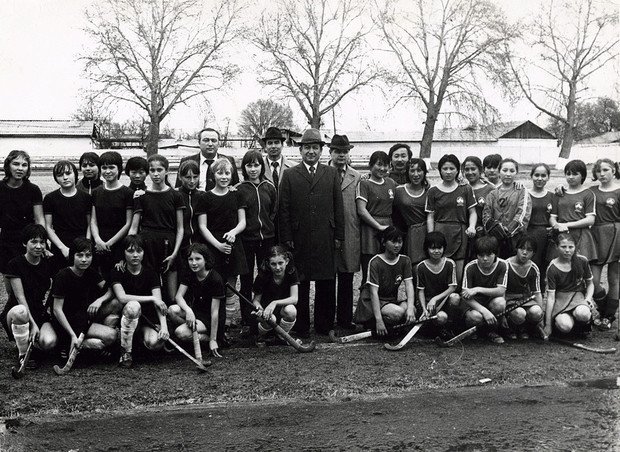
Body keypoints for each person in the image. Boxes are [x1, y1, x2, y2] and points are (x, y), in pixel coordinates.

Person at [279, 128, 345, 337]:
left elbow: (338, 206)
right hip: (299, 237)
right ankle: (301, 326)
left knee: (326, 280)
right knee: (301, 281)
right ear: (300, 150)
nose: (311, 151)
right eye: (307, 147)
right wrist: (287, 237)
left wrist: (339, 235)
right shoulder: (290, 175)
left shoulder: (331, 173)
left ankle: (324, 325)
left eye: (315, 147)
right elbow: (284, 209)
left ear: (321, 150)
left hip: (326, 235)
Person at [197, 158, 248, 339]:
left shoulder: (236, 195)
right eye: (220, 173)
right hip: (213, 246)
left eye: (227, 173)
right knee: (216, 287)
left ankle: (226, 327)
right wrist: (217, 245)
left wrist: (233, 232)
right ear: (213, 175)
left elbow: (242, 222)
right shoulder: (205, 198)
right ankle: (216, 326)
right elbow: (202, 226)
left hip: (232, 245)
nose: (224, 177)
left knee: (230, 287)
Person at [129, 154, 185, 304]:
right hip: (147, 245)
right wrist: (126, 251)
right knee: (150, 290)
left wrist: (174, 253)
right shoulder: (141, 196)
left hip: (169, 245)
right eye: (152, 170)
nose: (155, 174)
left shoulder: (175, 195)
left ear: (167, 171)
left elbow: (180, 228)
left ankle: (171, 316)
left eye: (159, 170)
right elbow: (133, 228)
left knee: (172, 296)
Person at [51, 237, 119, 358]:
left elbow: (111, 290)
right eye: (80, 255)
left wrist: (99, 300)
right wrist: (72, 334)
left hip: (83, 318)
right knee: (110, 337)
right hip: (66, 322)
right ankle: (69, 344)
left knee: (116, 304)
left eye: (88, 255)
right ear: (72, 256)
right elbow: (57, 310)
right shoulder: (63, 275)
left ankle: (80, 346)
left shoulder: (90, 273)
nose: (84, 259)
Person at [1, 224, 56, 368]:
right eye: (34, 242)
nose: (38, 246)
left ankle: (28, 342)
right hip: (16, 310)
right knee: (21, 312)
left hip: (38, 311)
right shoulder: (15, 264)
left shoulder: (48, 263)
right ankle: (23, 353)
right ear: (25, 243)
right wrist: (33, 325)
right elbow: (20, 298)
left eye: (42, 242)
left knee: (49, 343)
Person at [110, 235, 168, 368]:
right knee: (133, 306)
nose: (135, 255)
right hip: (127, 317)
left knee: (155, 343)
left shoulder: (151, 273)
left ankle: (138, 343)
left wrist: (164, 327)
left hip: (147, 319)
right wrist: (152, 298)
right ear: (123, 252)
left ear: (143, 252)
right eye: (130, 251)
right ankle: (126, 352)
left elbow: (159, 303)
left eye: (139, 251)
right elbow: (122, 297)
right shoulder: (117, 271)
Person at [236, 150, 277, 335]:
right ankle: (247, 320)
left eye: (256, 165)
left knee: (264, 277)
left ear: (262, 166)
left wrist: (268, 229)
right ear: (244, 168)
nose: (253, 169)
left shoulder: (269, 187)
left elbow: (273, 212)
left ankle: (265, 316)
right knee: (245, 280)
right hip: (246, 241)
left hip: (266, 240)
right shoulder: (239, 189)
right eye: (249, 165)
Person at [354, 227, 415, 336]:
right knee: (398, 313)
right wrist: (379, 320)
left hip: (390, 300)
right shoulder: (375, 262)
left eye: (399, 242)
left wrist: (410, 308)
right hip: (372, 301)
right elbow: (373, 293)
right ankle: (372, 322)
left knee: (412, 309)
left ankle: (391, 327)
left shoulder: (405, 260)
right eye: (393, 242)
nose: (397, 245)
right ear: (383, 242)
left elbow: (409, 285)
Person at [0, 150, 45, 299]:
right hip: (6, 243)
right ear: (8, 165)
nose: (20, 168)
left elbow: (39, 219)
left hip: (28, 243)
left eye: (24, 165)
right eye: (16, 164)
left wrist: (42, 243)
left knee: (31, 287)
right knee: (12, 291)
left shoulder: (33, 190)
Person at [425, 154, 477, 283]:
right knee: (440, 267)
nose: (448, 172)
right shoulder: (433, 191)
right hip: (441, 231)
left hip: (460, 232)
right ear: (440, 170)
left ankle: (457, 293)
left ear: (457, 170)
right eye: (445, 168)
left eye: (452, 168)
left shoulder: (465, 188)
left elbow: (472, 212)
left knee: (458, 272)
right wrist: (432, 236)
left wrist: (471, 226)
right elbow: (430, 216)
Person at [328, 134, 361, 330]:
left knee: (347, 277)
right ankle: (326, 320)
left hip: (350, 232)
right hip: (328, 232)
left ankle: (345, 319)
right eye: (337, 151)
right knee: (328, 277)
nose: (341, 155)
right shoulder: (323, 173)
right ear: (330, 152)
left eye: (344, 151)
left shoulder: (356, 177)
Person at [169, 243, 224, 357]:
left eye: (198, 259)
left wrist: (213, 339)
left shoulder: (215, 279)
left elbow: (215, 312)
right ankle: (192, 333)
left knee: (180, 332)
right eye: (190, 259)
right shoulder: (190, 273)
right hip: (196, 313)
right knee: (172, 310)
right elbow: (178, 296)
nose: (193, 263)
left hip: (209, 319)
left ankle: (211, 340)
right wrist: (188, 311)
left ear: (206, 259)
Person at [90, 151, 134, 281]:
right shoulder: (96, 192)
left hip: (119, 244)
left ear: (119, 169)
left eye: (111, 167)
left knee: (118, 279)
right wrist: (98, 240)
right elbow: (93, 220)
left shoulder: (127, 193)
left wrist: (110, 243)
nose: (107, 171)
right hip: (99, 244)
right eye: (104, 167)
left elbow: (128, 223)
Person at [43, 160, 92, 275]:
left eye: (68, 173)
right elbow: (48, 227)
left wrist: (86, 245)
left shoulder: (86, 198)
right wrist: (62, 248)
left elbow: (90, 224)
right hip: (59, 245)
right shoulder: (50, 198)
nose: (65, 177)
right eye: (60, 175)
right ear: (56, 178)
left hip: (82, 245)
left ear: (75, 174)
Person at [357, 151, 397, 284]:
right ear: (371, 165)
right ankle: (367, 295)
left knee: (387, 267)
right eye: (379, 164)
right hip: (370, 229)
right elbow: (361, 210)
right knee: (370, 269)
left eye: (386, 165)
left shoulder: (390, 183)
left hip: (388, 228)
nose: (382, 168)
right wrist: (379, 226)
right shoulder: (364, 184)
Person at [589, 158, 620, 330]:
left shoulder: (619, 191)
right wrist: (560, 189)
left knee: (614, 278)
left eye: (606, 170)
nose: (602, 174)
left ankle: (609, 316)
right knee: (593, 280)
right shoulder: (592, 191)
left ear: (614, 171)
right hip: (596, 235)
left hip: (616, 234)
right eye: (599, 171)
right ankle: (603, 309)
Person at [544, 232, 594, 337]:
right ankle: (566, 324)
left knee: (583, 314)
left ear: (575, 247)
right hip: (561, 300)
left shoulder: (582, 261)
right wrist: (548, 325)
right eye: (563, 247)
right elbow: (551, 297)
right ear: (557, 247)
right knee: (565, 326)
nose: (567, 250)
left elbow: (590, 284)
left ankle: (582, 325)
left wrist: (588, 299)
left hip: (578, 298)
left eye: (571, 247)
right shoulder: (552, 268)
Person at [461, 235, 508, 344]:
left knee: (500, 303)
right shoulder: (470, 267)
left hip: (491, 301)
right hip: (474, 304)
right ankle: (474, 332)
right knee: (475, 317)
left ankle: (492, 331)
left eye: (489, 255)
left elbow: (501, 291)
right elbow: (465, 296)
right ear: (476, 255)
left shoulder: (502, 264)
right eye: (481, 255)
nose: (485, 259)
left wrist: (478, 289)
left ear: (495, 253)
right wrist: (484, 311)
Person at [482, 158, 531, 258]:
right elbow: (486, 214)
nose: (508, 174)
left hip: (515, 240)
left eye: (512, 171)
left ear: (516, 173)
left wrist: (508, 231)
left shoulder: (521, 191)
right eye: (505, 170)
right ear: (499, 172)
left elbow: (523, 214)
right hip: (495, 240)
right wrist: (495, 228)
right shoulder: (492, 194)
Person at [549, 159, 596, 262]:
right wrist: (556, 225)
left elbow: (590, 220)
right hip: (561, 234)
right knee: (561, 265)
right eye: (568, 174)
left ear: (582, 176)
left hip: (581, 235)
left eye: (575, 174)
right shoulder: (559, 193)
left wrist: (567, 225)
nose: (570, 177)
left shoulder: (588, 194)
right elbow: (552, 217)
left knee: (579, 265)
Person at [415, 231, 460, 339]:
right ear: (427, 249)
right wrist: (424, 309)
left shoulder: (449, 263)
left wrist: (435, 299)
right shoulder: (421, 267)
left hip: (443, 302)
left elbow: (452, 287)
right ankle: (432, 329)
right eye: (432, 248)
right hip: (428, 305)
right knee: (438, 318)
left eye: (439, 248)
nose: (436, 251)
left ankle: (448, 329)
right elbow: (420, 290)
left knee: (455, 297)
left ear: (444, 248)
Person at [252, 245, 299, 346]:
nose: (277, 267)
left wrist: (274, 303)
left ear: (287, 261)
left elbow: (294, 299)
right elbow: (256, 300)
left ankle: (282, 336)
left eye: (280, 263)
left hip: (281, 310)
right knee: (271, 319)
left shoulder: (291, 272)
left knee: (291, 311)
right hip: (266, 312)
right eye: (273, 264)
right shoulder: (262, 276)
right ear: (268, 264)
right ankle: (262, 337)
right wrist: (260, 309)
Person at [503, 234, 544, 340]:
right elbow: (501, 291)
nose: (525, 252)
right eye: (522, 248)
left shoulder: (533, 268)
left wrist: (541, 318)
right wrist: (502, 315)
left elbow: (537, 292)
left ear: (533, 253)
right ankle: (511, 328)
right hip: (509, 300)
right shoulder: (506, 265)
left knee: (536, 312)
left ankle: (526, 328)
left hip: (525, 300)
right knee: (519, 314)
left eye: (529, 250)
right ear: (517, 249)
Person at [392, 158, 429, 272]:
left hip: (427, 231)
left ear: (424, 172)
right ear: (407, 172)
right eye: (412, 170)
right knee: (412, 268)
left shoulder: (429, 191)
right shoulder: (399, 191)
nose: (416, 174)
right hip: (410, 234)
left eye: (419, 170)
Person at [176, 159, 208, 274]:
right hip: (180, 246)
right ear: (180, 177)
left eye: (195, 177)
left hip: (198, 246)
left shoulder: (202, 196)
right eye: (188, 177)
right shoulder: (175, 195)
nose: (192, 181)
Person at [527, 163, 554, 291]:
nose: (540, 178)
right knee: (531, 264)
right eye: (536, 175)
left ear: (548, 177)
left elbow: (556, 216)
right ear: (531, 176)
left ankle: (541, 294)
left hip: (547, 236)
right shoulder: (524, 194)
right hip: (529, 234)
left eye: (543, 175)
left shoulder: (552, 196)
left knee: (544, 266)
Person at [462, 156, 494, 260]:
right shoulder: (461, 188)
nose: (470, 172)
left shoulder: (489, 189)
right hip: (464, 234)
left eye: (473, 169)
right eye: (467, 169)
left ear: (480, 170)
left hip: (484, 235)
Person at [261, 127, 295, 191]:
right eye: (270, 143)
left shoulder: (293, 167)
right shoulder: (258, 167)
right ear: (265, 146)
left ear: (282, 145)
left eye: (276, 142)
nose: (273, 146)